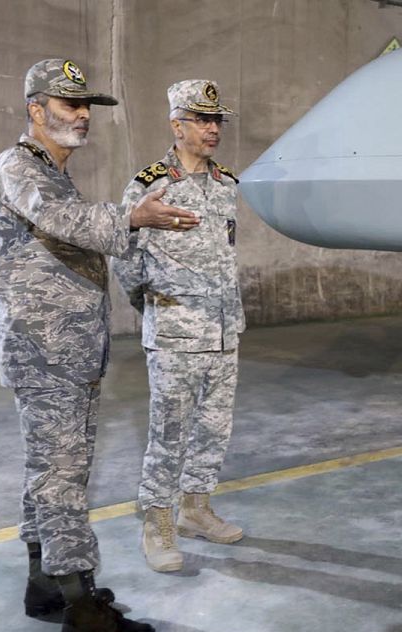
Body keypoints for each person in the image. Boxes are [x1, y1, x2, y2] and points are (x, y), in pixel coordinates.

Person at [0, 58, 199, 632]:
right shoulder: (18, 168)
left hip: (69, 351)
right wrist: (132, 215)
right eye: (69, 105)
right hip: (46, 354)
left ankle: (45, 585)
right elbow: (63, 221)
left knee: (48, 474)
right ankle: (82, 607)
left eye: (86, 107)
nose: (82, 116)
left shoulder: (52, 173)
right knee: (63, 477)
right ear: (36, 109)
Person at [112, 80, 246, 573]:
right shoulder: (150, 185)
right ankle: (158, 522)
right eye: (202, 120)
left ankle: (196, 508)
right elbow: (125, 258)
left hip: (225, 328)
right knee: (169, 431)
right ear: (177, 125)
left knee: (214, 429)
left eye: (217, 121)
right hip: (175, 333)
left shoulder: (228, 185)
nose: (213, 129)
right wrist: (156, 309)